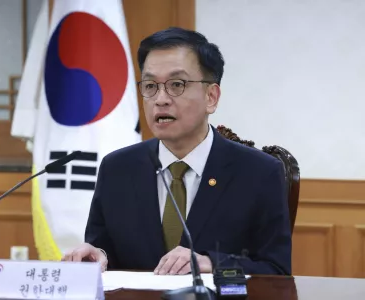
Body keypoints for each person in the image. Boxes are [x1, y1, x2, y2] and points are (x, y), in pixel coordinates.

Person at [62, 27, 292, 276]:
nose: (160, 99)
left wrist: (211, 264)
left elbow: (275, 271)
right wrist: (98, 257)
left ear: (211, 97)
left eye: (176, 84)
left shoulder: (259, 173)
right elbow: (104, 250)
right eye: (150, 86)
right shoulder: (117, 168)